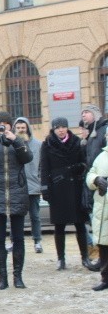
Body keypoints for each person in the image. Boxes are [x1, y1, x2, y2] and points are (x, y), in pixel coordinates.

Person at [0, 111, 32, 290]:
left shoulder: (19, 141)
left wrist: (15, 140)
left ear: (10, 125)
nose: (2, 126)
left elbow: (27, 158)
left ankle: (18, 277)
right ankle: (2, 279)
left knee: (18, 238)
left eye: (5, 124)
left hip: (17, 193)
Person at [40, 117, 97, 271]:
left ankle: (85, 257)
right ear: (53, 129)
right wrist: (45, 188)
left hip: (76, 187)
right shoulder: (47, 144)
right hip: (58, 189)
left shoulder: (76, 142)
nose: (61, 130)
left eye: (63, 127)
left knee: (80, 224)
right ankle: (61, 258)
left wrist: (79, 167)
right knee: (59, 225)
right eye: (58, 127)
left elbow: (85, 162)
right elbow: (44, 168)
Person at [80, 104, 107, 259]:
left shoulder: (103, 131)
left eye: (87, 112)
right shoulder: (91, 134)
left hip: (103, 184)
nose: (83, 115)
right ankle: (101, 259)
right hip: (93, 182)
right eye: (82, 113)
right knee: (96, 223)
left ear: (95, 115)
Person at [13, 117, 43, 253]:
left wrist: (41, 182)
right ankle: (15, 242)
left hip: (33, 186)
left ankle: (37, 242)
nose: (20, 130)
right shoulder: (11, 144)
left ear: (28, 128)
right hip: (17, 187)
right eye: (18, 128)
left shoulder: (38, 145)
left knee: (35, 216)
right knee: (16, 217)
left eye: (23, 128)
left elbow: (42, 165)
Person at [85, 132, 108, 291]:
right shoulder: (102, 156)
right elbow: (90, 174)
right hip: (103, 207)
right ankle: (106, 278)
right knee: (105, 246)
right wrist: (96, 180)